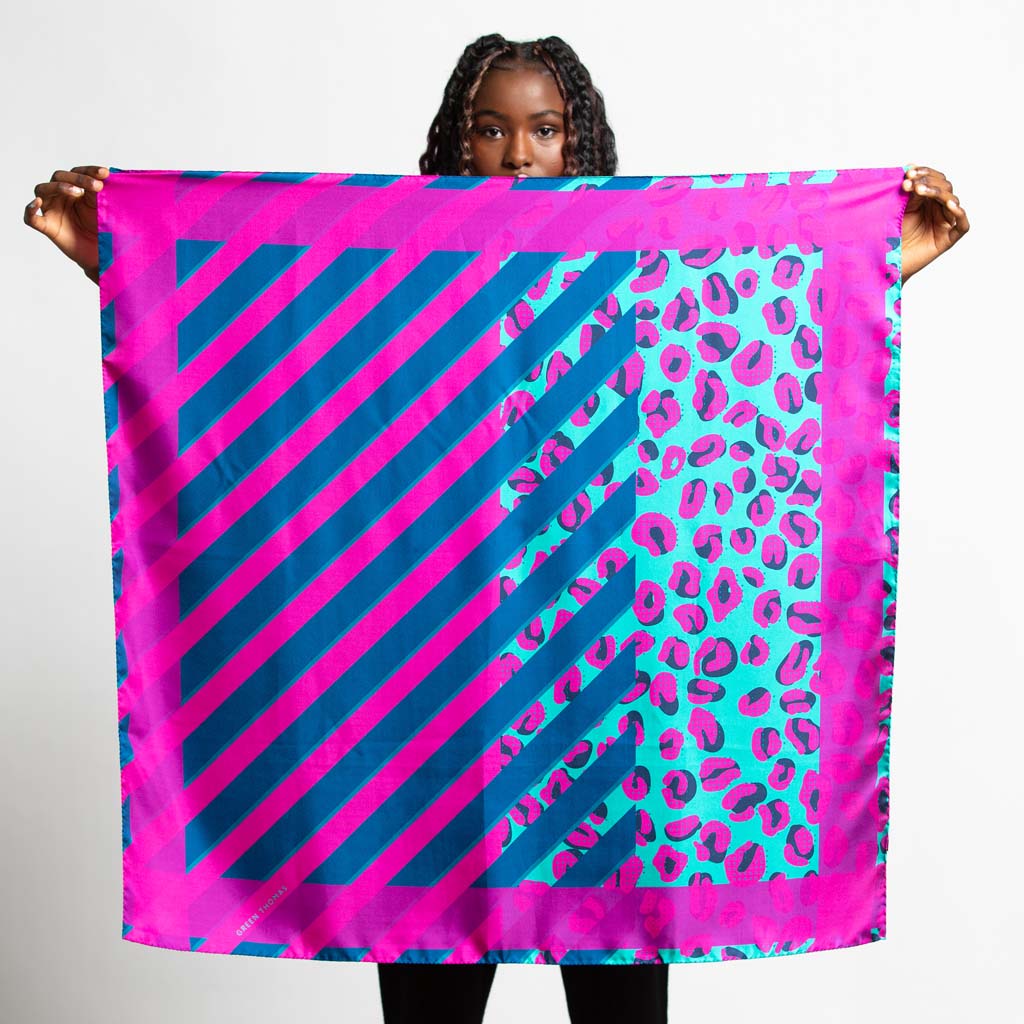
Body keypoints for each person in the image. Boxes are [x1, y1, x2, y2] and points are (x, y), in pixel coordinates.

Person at [22, 30, 970, 1024]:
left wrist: (886, 259)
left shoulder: (641, 268)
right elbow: (258, 344)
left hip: (602, 718)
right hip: (435, 717)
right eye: (491, 129)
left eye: (544, 130)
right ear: (455, 141)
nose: (518, 155)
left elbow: (766, 325)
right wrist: (113, 258)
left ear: (579, 139)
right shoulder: (393, 277)